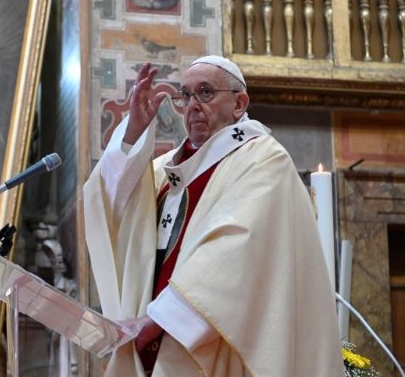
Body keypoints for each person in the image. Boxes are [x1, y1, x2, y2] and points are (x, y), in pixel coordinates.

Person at [83, 56, 343, 376]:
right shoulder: (165, 173)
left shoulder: (262, 160)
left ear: (239, 103)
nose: (192, 105)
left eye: (205, 93)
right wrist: (133, 133)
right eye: (185, 95)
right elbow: (110, 205)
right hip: (149, 350)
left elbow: (235, 251)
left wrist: (158, 321)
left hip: (208, 350)